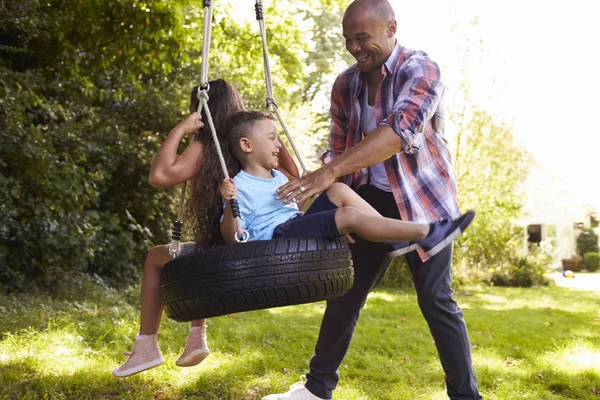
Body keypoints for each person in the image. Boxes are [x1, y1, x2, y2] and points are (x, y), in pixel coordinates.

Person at [264, 0, 483, 399]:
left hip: (422, 206)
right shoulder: (346, 84)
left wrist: (330, 172)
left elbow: (399, 133)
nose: (354, 47)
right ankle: (316, 390)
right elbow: (335, 151)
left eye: (362, 38)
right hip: (367, 203)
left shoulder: (420, 69)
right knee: (344, 295)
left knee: (436, 300)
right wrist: (328, 200)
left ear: (391, 28)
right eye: (348, 39)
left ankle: (466, 397)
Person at [112, 80, 299, 378]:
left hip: (226, 254)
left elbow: (160, 176)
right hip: (252, 248)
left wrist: (181, 129)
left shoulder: (205, 147)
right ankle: (196, 337)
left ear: (199, 109)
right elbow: (294, 174)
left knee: (157, 257)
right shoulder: (248, 144)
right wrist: (273, 136)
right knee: (198, 252)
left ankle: (147, 346)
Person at [218, 110, 474, 262]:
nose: (278, 145)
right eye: (272, 139)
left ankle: (395, 240)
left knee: (338, 190)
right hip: (275, 242)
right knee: (348, 216)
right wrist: (231, 204)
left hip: (293, 226)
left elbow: (290, 210)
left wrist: (307, 195)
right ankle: (426, 233)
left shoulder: (279, 178)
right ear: (246, 145)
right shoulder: (238, 186)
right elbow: (233, 237)